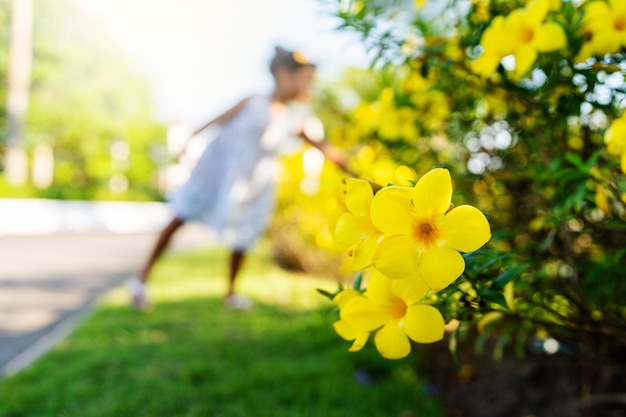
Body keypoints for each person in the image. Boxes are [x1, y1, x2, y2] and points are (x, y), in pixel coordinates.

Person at [128, 46, 350, 309]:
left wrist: (339, 159)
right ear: (283, 75)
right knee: (180, 217)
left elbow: (320, 145)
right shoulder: (253, 101)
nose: (309, 87)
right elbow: (217, 119)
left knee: (243, 236)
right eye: (306, 79)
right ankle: (141, 281)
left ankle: (231, 292)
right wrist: (189, 139)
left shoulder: (293, 119)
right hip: (219, 173)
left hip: (253, 184)